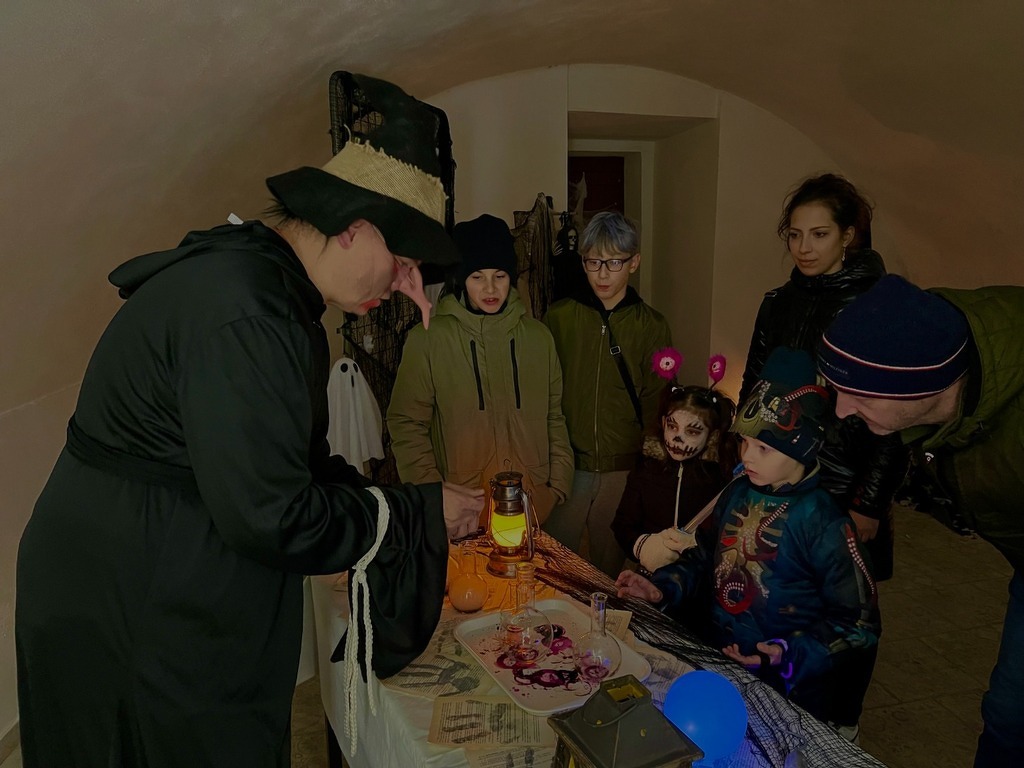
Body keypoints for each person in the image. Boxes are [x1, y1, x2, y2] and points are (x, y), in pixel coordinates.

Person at [15, 74, 483, 768]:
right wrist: (409, 514)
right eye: (402, 262)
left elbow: (295, 459)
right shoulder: (248, 313)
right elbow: (274, 513)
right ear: (353, 228)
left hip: (147, 561)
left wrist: (404, 504)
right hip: (132, 590)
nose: (402, 286)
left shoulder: (267, 287)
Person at [617, 348, 880, 739]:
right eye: (744, 442)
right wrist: (662, 587)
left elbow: (859, 624)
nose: (747, 457)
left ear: (803, 447)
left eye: (763, 448)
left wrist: (787, 653)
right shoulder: (737, 492)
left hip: (791, 692)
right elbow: (703, 558)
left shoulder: (824, 522)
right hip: (725, 667)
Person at [818, 274, 1024, 767]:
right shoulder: (923, 340)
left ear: (927, 388)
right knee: (1008, 716)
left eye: (862, 396)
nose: (843, 410)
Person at [740, 173, 908, 580]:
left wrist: (868, 502)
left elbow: (897, 418)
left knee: (840, 596)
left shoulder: (877, 307)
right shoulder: (778, 303)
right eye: (795, 235)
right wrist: (744, 456)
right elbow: (753, 387)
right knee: (774, 588)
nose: (804, 248)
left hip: (845, 481)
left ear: (847, 235)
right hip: (777, 474)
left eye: (819, 234)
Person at [388, 213, 573, 523]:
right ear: (461, 279)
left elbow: (554, 416)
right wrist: (435, 495)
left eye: (499, 275)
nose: (490, 288)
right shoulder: (429, 339)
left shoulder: (539, 338)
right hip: (463, 511)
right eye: (477, 277)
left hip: (533, 505)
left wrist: (556, 488)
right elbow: (406, 423)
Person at [542, 211, 672, 576]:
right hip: (567, 465)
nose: (602, 274)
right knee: (555, 566)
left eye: (614, 262)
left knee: (608, 573)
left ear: (634, 263)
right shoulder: (559, 318)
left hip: (623, 469)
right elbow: (544, 393)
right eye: (593, 262)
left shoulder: (652, 326)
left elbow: (658, 400)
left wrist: (651, 465)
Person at [610, 379, 739, 573]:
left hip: (695, 580)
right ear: (663, 423)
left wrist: (696, 549)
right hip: (647, 576)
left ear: (712, 436)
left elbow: (728, 538)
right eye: (672, 426)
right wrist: (643, 547)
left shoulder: (720, 479)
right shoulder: (646, 468)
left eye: (692, 431)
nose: (678, 438)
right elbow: (622, 524)